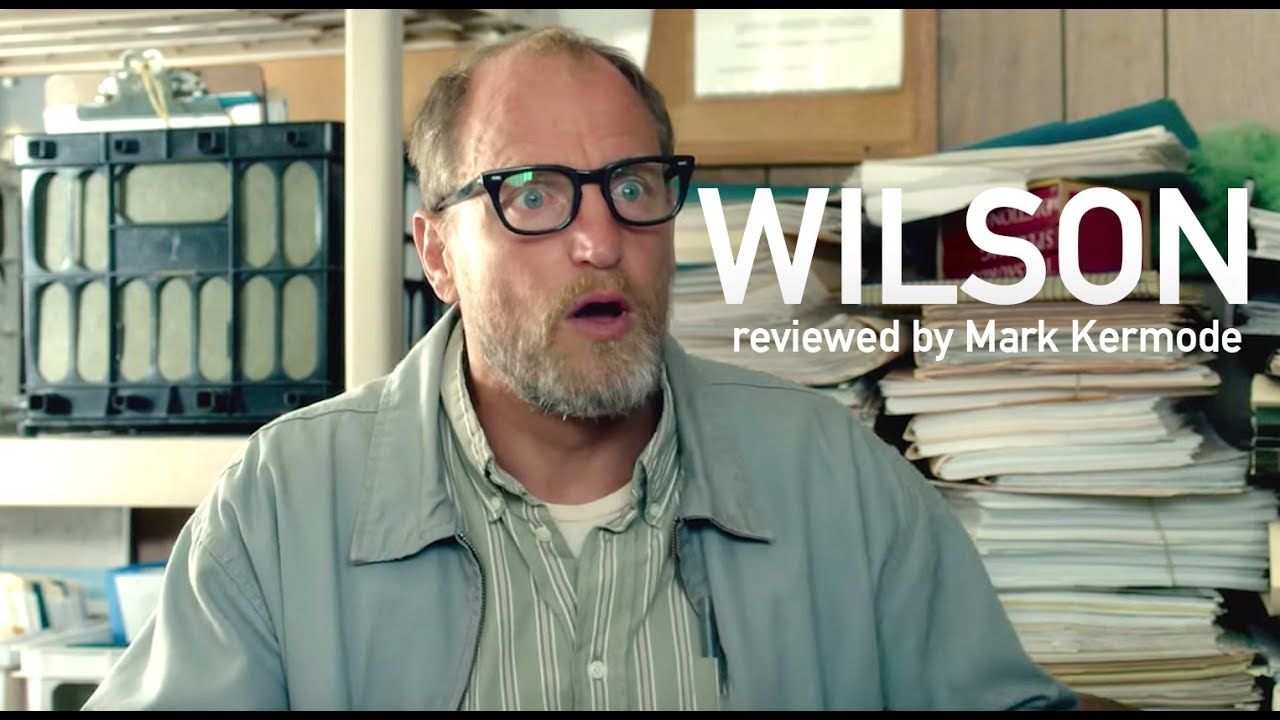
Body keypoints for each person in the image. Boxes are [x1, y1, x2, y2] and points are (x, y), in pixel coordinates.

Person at [84, 27, 1080, 711]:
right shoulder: (282, 506)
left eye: (633, 186)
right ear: (437, 255)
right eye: (531, 194)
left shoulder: (835, 477)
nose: (600, 241)